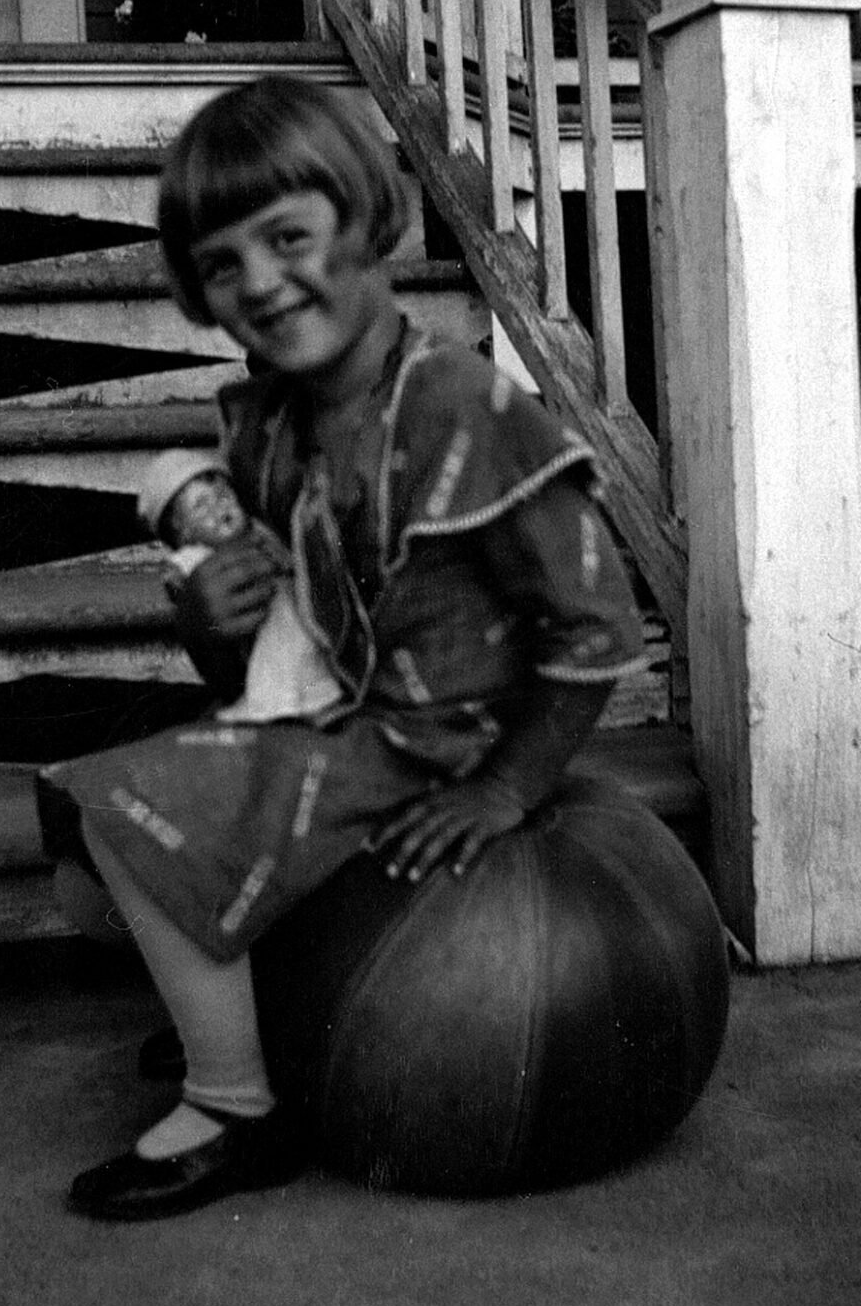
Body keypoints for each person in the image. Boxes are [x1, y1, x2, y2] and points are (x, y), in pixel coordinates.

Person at [39, 74, 646, 1222]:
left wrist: (513, 786)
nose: (261, 282)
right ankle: (243, 1001)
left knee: (131, 810)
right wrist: (210, 621)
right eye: (223, 263)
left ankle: (234, 1108)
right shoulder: (268, 425)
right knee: (81, 844)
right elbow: (281, 650)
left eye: (289, 237)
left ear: (367, 223)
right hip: (341, 715)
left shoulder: (464, 406)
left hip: (435, 738)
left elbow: (597, 626)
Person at [137, 448, 342, 723]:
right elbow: (178, 580)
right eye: (201, 506)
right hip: (260, 626)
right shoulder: (199, 560)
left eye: (223, 497)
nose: (218, 509)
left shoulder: (262, 534)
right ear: (183, 531)